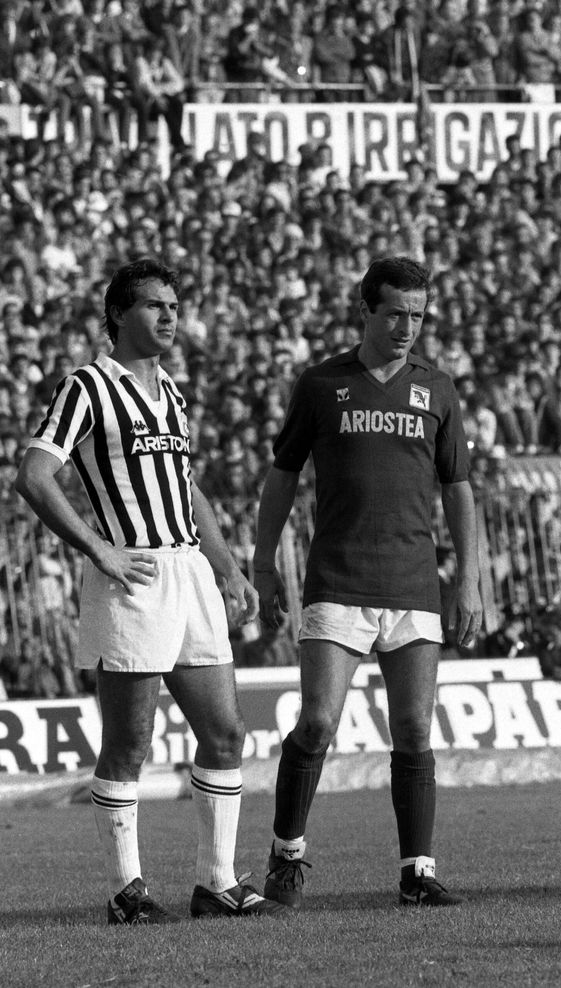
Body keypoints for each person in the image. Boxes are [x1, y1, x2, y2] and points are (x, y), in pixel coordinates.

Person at [14, 258, 287, 925]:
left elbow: (185, 486)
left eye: (174, 305)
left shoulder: (171, 390)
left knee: (225, 731)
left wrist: (224, 565)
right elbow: (35, 474)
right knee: (130, 743)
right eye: (155, 306)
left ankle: (216, 883)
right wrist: (99, 547)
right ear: (118, 315)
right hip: (129, 576)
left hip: (188, 571)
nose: (171, 316)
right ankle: (126, 892)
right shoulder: (88, 386)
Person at [253, 256, 482, 910]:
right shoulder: (323, 384)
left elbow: (459, 488)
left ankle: (416, 872)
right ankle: (287, 853)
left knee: (413, 730)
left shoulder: (437, 389)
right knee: (319, 722)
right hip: (338, 581)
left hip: (413, 584)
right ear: (366, 311)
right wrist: (263, 562)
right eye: (396, 314)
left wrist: (467, 579)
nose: (408, 326)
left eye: (418, 315)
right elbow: (282, 476)